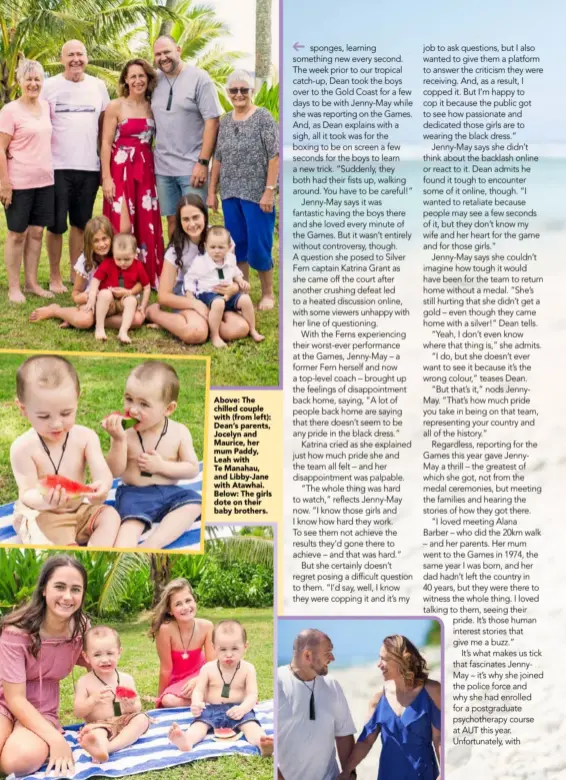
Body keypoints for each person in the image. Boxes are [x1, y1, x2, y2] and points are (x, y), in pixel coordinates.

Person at [10, 355, 120, 546]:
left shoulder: (86, 437)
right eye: (44, 416)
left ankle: (95, 552)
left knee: (111, 516)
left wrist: (102, 486)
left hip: (80, 510)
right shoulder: (22, 448)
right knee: (44, 536)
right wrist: (46, 501)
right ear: (23, 409)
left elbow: (101, 472)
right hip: (44, 514)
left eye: (66, 413)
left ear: (77, 399)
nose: (56, 424)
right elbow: (26, 493)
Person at [0, 555, 89, 777]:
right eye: (59, 587)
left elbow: (94, 666)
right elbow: (15, 698)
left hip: (43, 706)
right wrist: (56, 740)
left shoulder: (81, 628)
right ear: (44, 590)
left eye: (76, 589)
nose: (68, 597)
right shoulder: (16, 632)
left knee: (18, 762)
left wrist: (113, 711)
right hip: (5, 701)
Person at [102, 361, 201, 549]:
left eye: (144, 404)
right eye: (129, 399)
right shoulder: (125, 433)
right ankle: (125, 554)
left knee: (194, 503)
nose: (132, 409)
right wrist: (118, 441)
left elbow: (192, 469)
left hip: (169, 492)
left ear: (168, 409)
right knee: (131, 523)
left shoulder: (179, 432)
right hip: (134, 493)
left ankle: (152, 544)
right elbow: (114, 471)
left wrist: (162, 466)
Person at [208, 69, 279, 311]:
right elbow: (217, 158)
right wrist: (211, 191)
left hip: (257, 194)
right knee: (237, 243)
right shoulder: (225, 121)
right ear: (228, 93)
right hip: (230, 193)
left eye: (244, 90)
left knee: (259, 243)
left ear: (252, 91)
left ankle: (268, 293)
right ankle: (243, 287)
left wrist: (269, 190)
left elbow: (274, 157)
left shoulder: (263, 117)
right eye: (234, 90)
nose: (239, 94)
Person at [42, 40, 110, 292]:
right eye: (70, 55)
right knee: (56, 225)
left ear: (87, 58)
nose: (75, 59)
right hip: (57, 166)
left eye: (80, 54)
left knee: (80, 225)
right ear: (62, 59)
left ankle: (75, 272)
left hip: (89, 168)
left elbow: (105, 128)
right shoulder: (48, 86)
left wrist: (105, 167)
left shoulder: (98, 86)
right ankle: (54, 276)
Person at [146, 194, 250, 344]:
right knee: (196, 333)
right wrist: (195, 304)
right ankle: (154, 313)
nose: (192, 224)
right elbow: (163, 295)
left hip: (216, 294)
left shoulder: (220, 238)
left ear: (204, 216)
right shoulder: (176, 249)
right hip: (189, 294)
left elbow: (231, 272)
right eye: (186, 219)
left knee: (239, 328)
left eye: (196, 217)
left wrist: (233, 288)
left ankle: (207, 323)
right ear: (179, 221)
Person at [337, 636, 442, 780]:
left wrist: (444, 773)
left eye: (384, 659)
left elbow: (439, 738)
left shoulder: (432, 690)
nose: (379, 665)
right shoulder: (378, 699)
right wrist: (347, 771)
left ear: (400, 661)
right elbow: (366, 741)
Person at [168, 619, 273, 757]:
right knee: (199, 725)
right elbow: (199, 691)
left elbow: (252, 695)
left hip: (238, 709)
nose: (229, 654)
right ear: (214, 647)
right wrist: (196, 703)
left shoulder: (248, 669)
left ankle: (262, 744)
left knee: (251, 726)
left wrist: (243, 709)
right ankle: (187, 741)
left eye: (235, 648)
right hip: (212, 709)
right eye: (223, 649)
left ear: (245, 646)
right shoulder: (208, 668)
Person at [101, 58, 163, 288]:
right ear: (125, 80)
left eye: (141, 76)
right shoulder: (115, 106)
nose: (137, 80)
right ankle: (117, 275)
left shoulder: (152, 106)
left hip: (146, 169)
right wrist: (106, 178)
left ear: (148, 79)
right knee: (122, 225)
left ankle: (146, 276)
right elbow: (106, 144)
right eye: (133, 76)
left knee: (147, 223)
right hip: (120, 170)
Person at [151, 35, 221, 238]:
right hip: (163, 168)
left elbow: (212, 121)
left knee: (195, 220)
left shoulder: (200, 78)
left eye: (167, 52)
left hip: (192, 166)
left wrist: (202, 162)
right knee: (172, 220)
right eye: (158, 54)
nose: (163, 57)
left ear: (179, 50)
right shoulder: (154, 81)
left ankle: (199, 268)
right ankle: (176, 266)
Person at [29, 215, 146, 333]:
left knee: (137, 320)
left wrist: (129, 292)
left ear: (111, 237)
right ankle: (55, 310)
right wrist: (86, 297)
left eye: (104, 238)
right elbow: (76, 293)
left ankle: (85, 320)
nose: (101, 244)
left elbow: (141, 283)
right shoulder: (86, 261)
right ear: (89, 243)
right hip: (94, 303)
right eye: (96, 240)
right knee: (84, 320)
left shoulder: (122, 254)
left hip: (122, 302)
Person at [0, 60, 55, 303]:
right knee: (17, 234)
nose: (33, 84)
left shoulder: (45, 106)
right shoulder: (10, 111)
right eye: (28, 79)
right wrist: (4, 183)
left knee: (36, 232)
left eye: (37, 79)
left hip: (45, 181)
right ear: (20, 81)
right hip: (18, 182)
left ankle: (31, 283)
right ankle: (14, 287)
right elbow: (1, 149)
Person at [277, 629, 355, 780]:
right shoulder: (278, 682)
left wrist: (349, 774)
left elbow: (344, 734)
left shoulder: (332, 685)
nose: (332, 658)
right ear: (307, 655)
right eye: (328, 653)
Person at [74, 625, 151, 763]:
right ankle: (98, 744)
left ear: (119, 653)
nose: (105, 659)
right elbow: (78, 712)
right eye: (97, 655)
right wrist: (93, 700)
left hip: (124, 720)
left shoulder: (126, 679)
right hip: (99, 724)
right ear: (86, 656)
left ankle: (108, 748)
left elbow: (137, 706)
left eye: (110, 653)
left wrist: (131, 706)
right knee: (95, 733)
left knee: (141, 719)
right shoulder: (84, 682)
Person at [185, 225, 264, 348]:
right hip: (208, 294)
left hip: (228, 293)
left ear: (228, 247)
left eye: (221, 247)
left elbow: (234, 271)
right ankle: (215, 335)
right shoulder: (200, 262)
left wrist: (240, 280)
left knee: (245, 299)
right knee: (218, 303)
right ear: (206, 246)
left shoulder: (230, 258)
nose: (217, 251)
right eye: (212, 247)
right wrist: (189, 293)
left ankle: (252, 329)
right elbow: (189, 278)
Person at [149, 578, 215, 708]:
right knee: (168, 700)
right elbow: (165, 669)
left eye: (188, 600)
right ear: (170, 610)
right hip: (178, 680)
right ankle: (208, 700)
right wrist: (159, 699)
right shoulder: (165, 630)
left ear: (194, 601)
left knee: (220, 684)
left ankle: (206, 698)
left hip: (202, 674)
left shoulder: (207, 626)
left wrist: (198, 680)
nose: (185, 607)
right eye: (178, 604)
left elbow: (212, 664)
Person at [85, 232, 150, 343]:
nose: (122, 263)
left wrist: (143, 306)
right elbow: (96, 279)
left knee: (131, 300)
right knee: (105, 293)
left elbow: (147, 287)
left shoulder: (138, 266)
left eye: (127, 259)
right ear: (113, 254)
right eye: (118, 259)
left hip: (124, 302)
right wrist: (92, 296)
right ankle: (99, 328)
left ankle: (123, 331)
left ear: (135, 254)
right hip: (109, 303)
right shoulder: (108, 263)